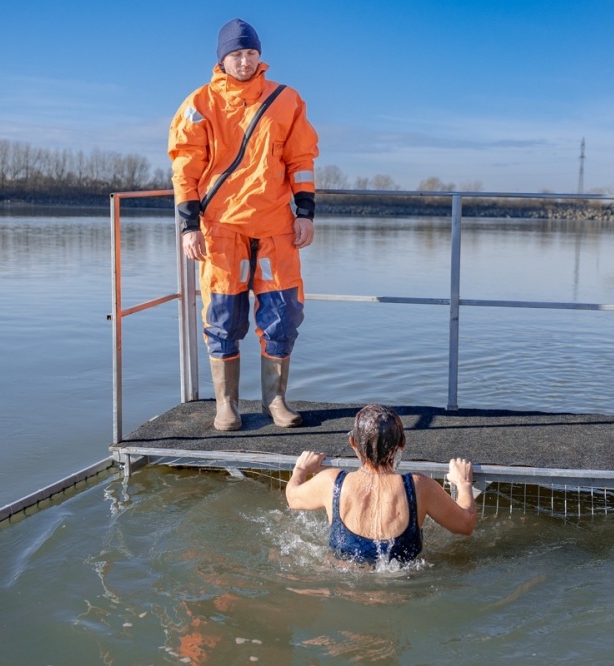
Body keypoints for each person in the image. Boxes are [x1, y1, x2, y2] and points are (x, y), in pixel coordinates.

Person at [168, 18, 319, 432]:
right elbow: (185, 168)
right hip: (220, 228)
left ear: (259, 55)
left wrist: (305, 213)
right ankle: (227, 405)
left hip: (276, 227)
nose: (245, 60)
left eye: (251, 52)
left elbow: (300, 161)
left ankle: (276, 401)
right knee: (222, 316)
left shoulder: (287, 100)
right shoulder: (200, 103)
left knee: (284, 315)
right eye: (236, 53)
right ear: (222, 58)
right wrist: (188, 226)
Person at [286, 404, 477, 565]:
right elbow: (466, 525)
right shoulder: (419, 487)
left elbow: (293, 498)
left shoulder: (331, 482)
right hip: (402, 588)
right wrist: (464, 483)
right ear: (402, 444)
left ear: (352, 442)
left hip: (345, 585)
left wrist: (301, 470)